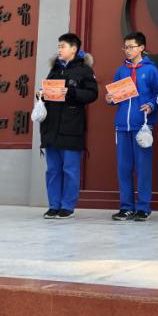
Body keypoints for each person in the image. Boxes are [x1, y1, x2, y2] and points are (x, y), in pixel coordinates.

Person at [39, 33, 98, 219]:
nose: (59, 49)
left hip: (72, 128)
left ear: (74, 49)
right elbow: (49, 91)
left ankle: (67, 206)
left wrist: (71, 92)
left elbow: (92, 94)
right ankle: (53, 205)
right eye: (58, 46)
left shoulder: (84, 70)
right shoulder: (55, 69)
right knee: (53, 170)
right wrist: (41, 94)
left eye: (62, 46)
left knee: (70, 170)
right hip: (51, 127)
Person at [108, 31, 158, 221]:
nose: (128, 50)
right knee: (124, 168)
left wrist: (151, 105)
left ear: (141, 48)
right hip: (122, 125)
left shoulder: (151, 70)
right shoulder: (121, 71)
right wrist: (110, 98)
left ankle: (143, 207)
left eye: (131, 47)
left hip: (142, 125)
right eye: (125, 47)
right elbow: (115, 95)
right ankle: (126, 207)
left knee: (143, 168)